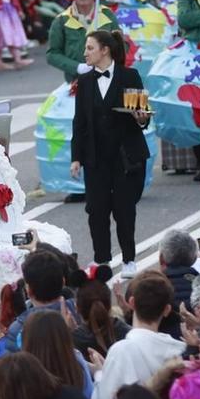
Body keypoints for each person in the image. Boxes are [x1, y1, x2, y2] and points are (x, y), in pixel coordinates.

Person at [69, 26, 148, 265]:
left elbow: (141, 113)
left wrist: (142, 117)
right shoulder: (84, 81)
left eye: (90, 48)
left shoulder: (129, 76)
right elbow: (79, 122)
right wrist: (76, 157)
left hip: (124, 155)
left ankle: (129, 259)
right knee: (96, 211)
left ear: (105, 51)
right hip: (96, 157)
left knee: (124, 210)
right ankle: (101, 261)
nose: (85, 53)